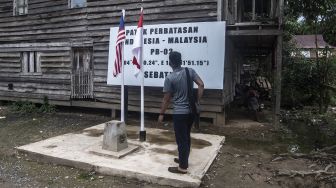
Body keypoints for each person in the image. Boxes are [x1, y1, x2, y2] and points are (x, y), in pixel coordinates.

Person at [158, 51, 204, 174]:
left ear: (170, 63)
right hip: (191, 112)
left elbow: (166, 99)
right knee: (186, 137)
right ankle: (183, 159)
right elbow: (201, 85)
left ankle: (182, 167)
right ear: (180, 61)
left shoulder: (170, 78)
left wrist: (161, 114)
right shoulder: (190, 71)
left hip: (179, 113)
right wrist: (197, 102)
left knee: (181, 140)